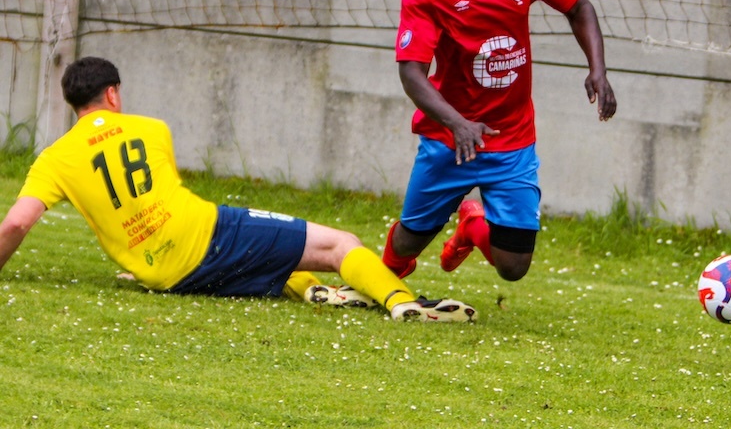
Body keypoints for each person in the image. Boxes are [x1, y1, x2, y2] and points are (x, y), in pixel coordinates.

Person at [0, 57, 476, 322]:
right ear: (113, 94)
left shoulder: (54, 157)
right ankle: (402, 304)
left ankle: (314, 292)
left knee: (276, 256)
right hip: (206, 236)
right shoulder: (151, 128)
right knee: (338, 244)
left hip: (164, 275)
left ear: (72, 105)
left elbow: (18, 221)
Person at [381, 0, 617, 283]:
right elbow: (411, 73)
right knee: (409, 243)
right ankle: (383, 278)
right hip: (449, 139)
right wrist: (458, 124)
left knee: (513, 268)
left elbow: (578, 7)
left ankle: (473, 226)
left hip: (512, 139)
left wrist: (598, 71)